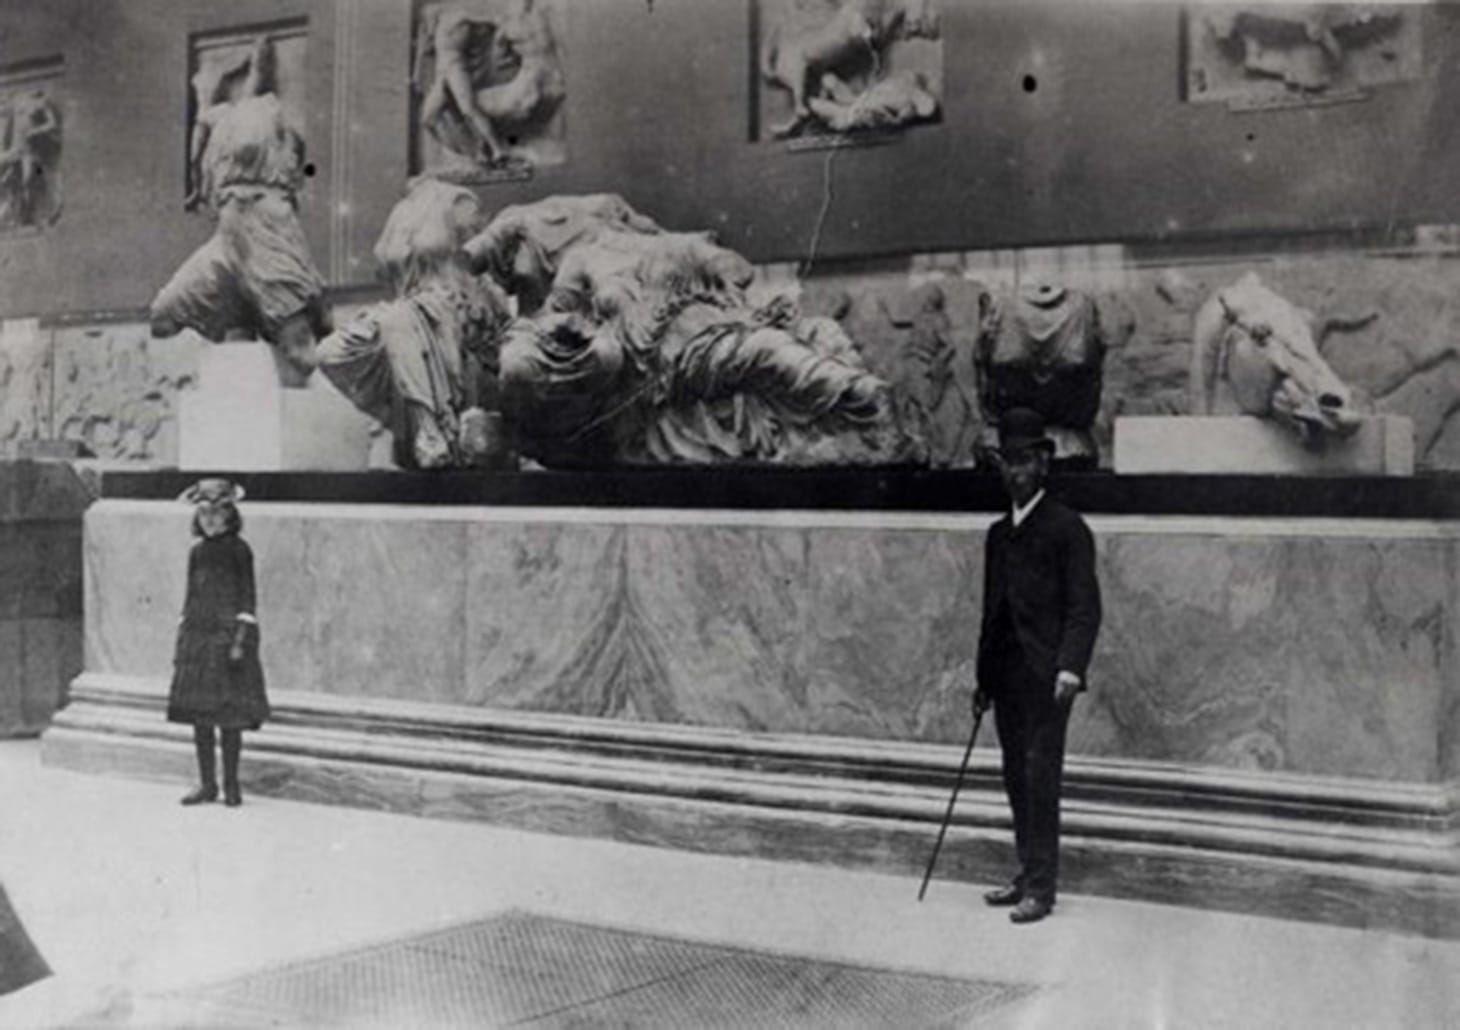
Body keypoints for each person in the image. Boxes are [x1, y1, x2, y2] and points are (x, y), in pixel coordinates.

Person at [972, 407, 1101, 924]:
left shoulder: (1067, 529)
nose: (1015, 473)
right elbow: (992, 613)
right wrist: (983, 681)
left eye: (1024, 462)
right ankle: (1026, 873)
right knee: (1014, 778)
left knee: (1040, 777)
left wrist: (1071, 668)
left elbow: (1085, 607)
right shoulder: (998, 533)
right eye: (1007, 462)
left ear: (1043, 466)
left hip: (1048, 681)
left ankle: (1043, 890)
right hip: (1006, 678)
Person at [150, 36, 328, 388]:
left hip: (264, 230)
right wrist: (206, 94)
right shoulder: (226, 119)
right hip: (227, 238)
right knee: (163, 316)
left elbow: (291, 159)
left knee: (301, 356)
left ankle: (283, 319)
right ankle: (244, 315)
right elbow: (209, 121)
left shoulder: (274, 121)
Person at [168, 479, 270, 807]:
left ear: (230, 516)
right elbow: (190, 598)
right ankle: (207, 784)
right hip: (198, 641)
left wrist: (240, 639)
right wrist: (182, 641)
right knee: (200, 717)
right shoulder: (196, 552)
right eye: (204, 513)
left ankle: (231, 784)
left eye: (218, 513)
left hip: (227, 642)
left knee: (229, 718)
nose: (211, 520)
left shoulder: (239, 550)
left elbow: (247, 598)